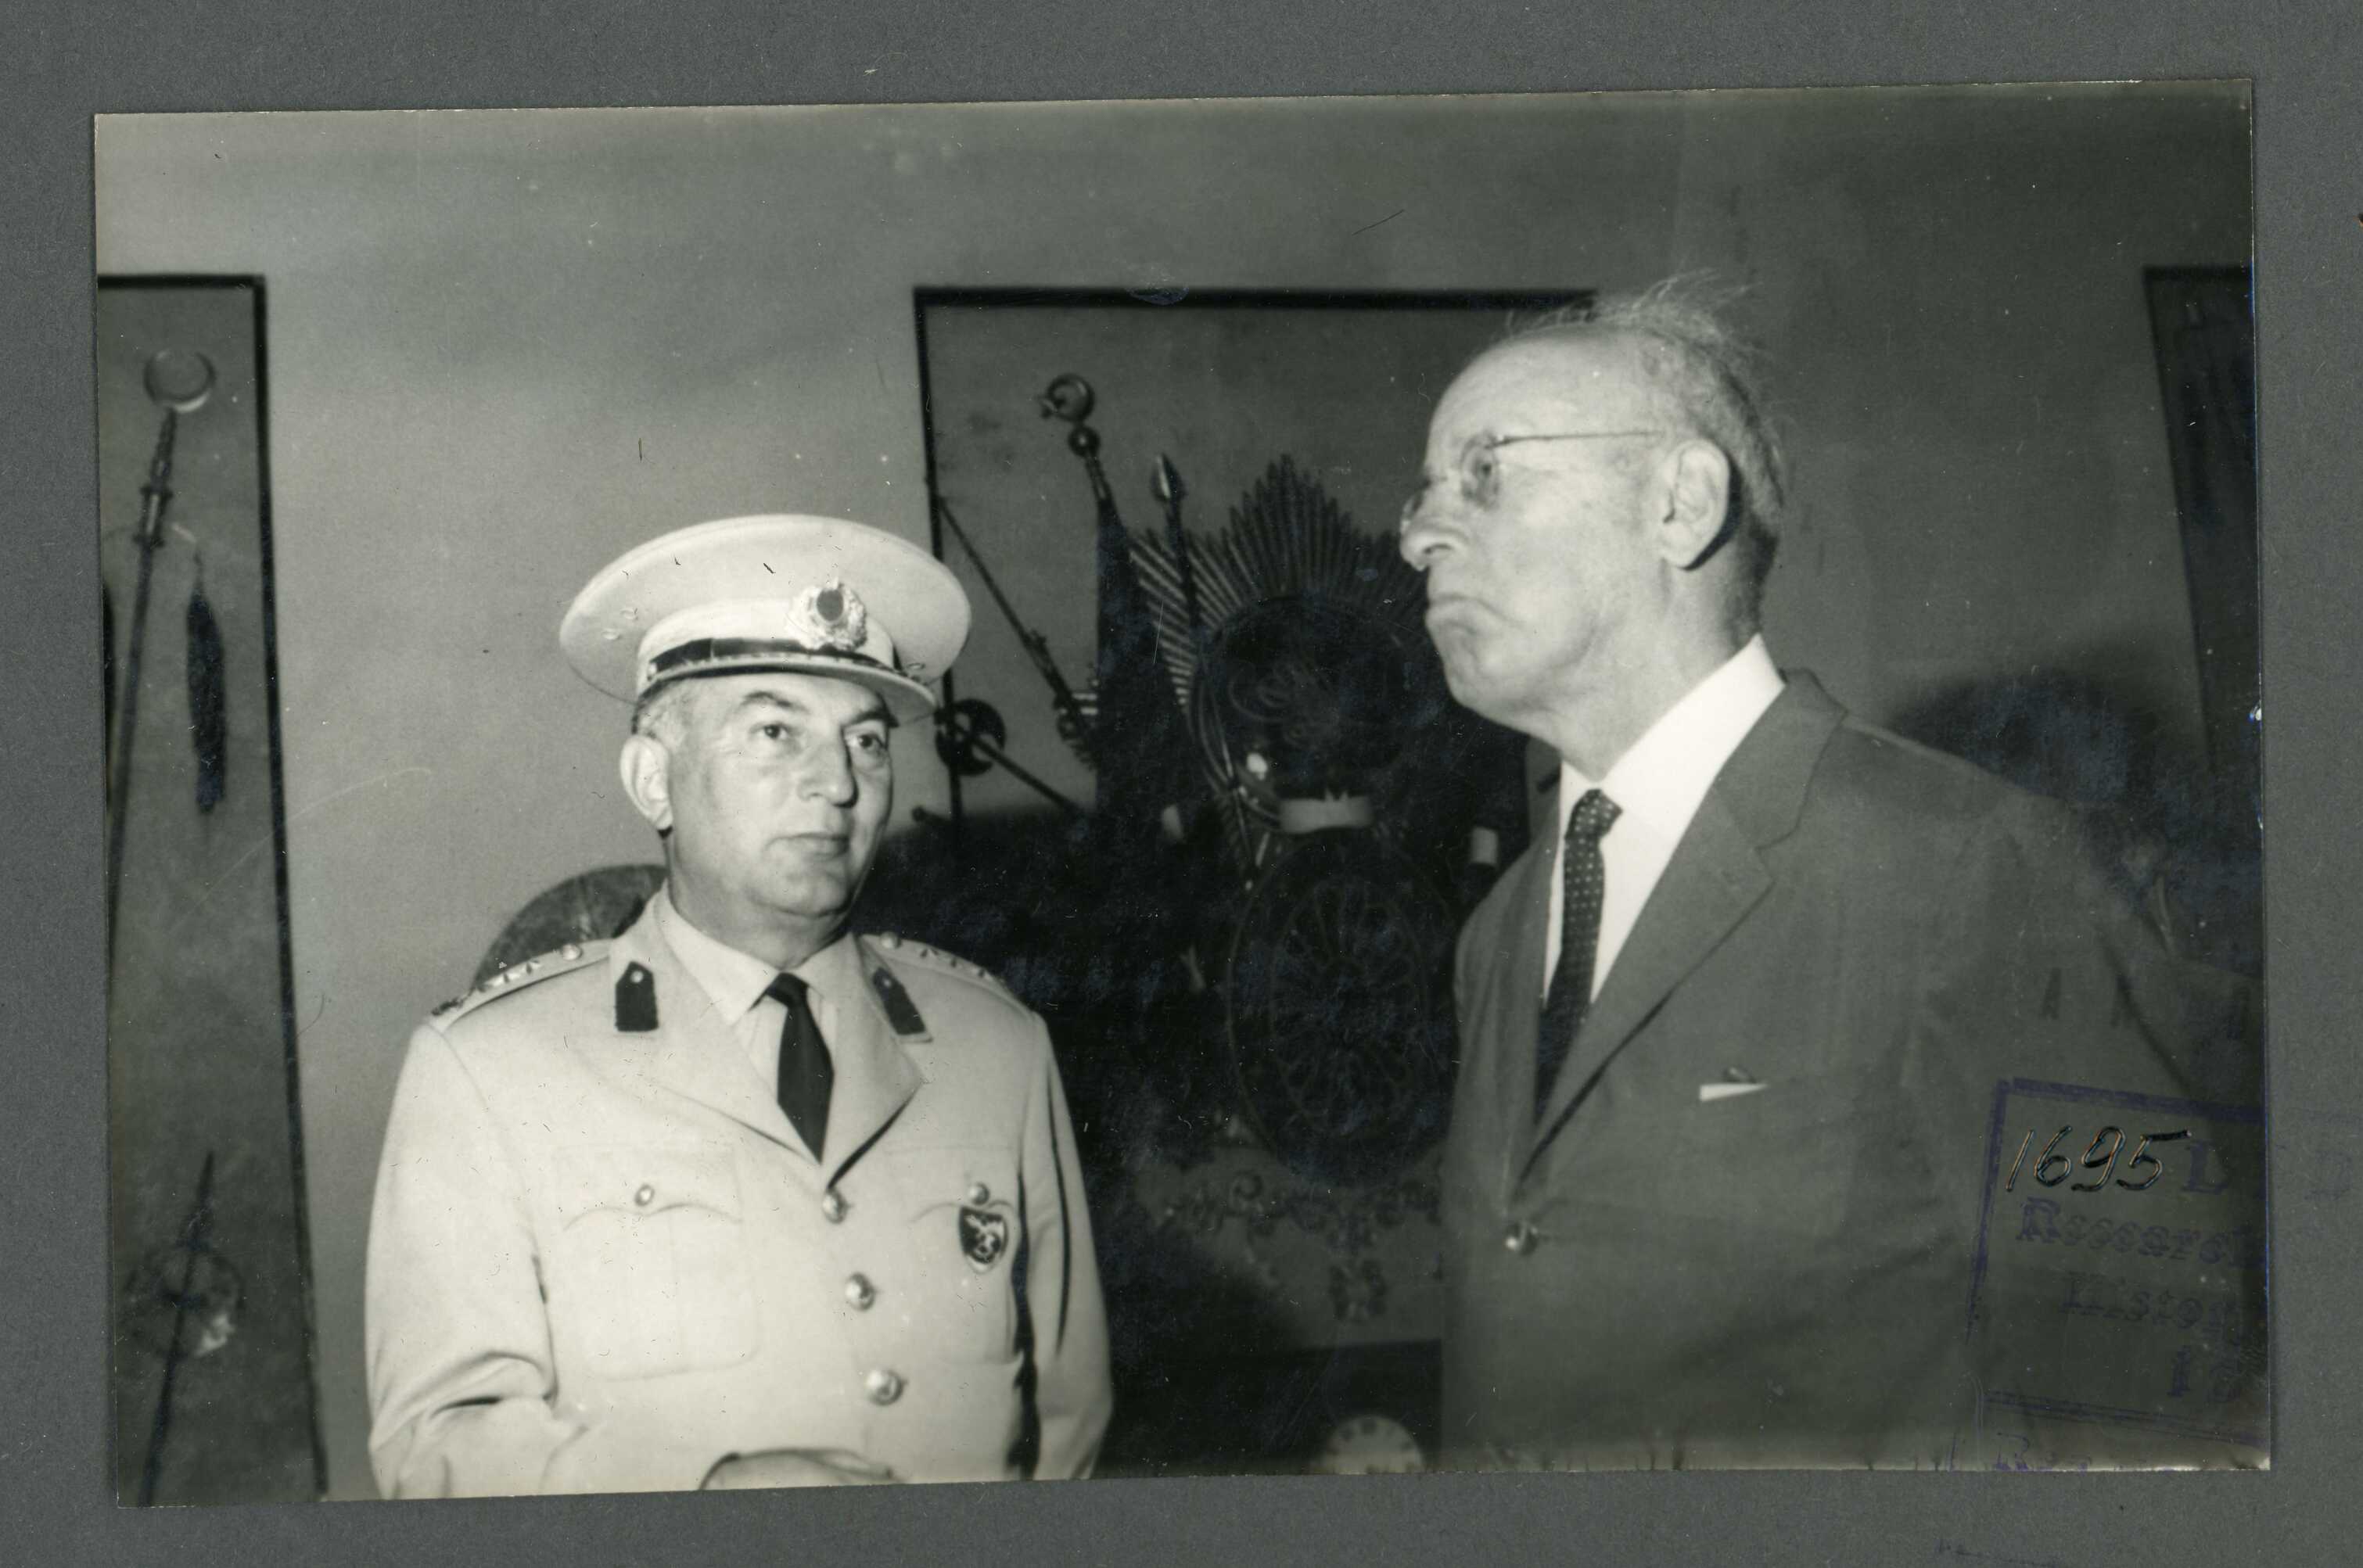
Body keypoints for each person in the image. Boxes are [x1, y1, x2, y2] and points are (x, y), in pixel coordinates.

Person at [1395, 282, 2259, 1469]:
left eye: (1484, 472)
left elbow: (2154, 1402)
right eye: (1424, 495)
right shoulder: (1499, 934)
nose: (1419, 535)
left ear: (1679, 503)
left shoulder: (1964, 868)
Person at [365, 514, 1111, 1497]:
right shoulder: (489, 1070)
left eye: (866, 742)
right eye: (774, 732)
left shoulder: (997, 1046)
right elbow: (436, 1447)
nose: (839, 783)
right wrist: (705, 1496)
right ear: (653, 780)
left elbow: (1068, 1425)